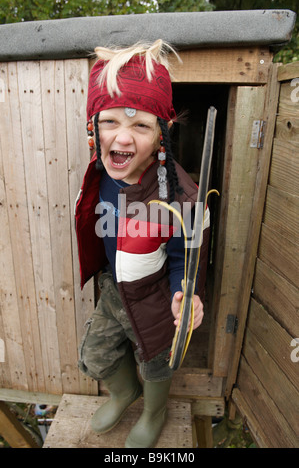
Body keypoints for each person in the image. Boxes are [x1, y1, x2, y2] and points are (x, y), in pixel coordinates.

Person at [75, 40, 209, 448]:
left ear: (161, 136)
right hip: (116, 287)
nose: (124, 137)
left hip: (154, 295)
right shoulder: (102, 171)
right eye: (111, 121)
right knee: (94, 355)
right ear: (93, 127)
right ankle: (123, 393)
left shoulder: (178, 196)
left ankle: (154, 411)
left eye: (140, 125)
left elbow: (185, 257)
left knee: (155, 363)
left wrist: (185, 292)